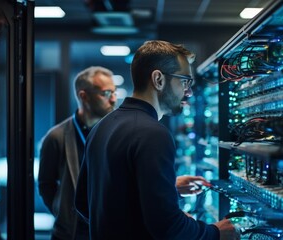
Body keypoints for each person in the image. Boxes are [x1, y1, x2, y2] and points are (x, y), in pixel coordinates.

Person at [75, 40, 239, 239]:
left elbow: (84, 203)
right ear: (158, 79)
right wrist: (215, 232)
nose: (189, 92)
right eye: (185, 81)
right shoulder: (153, 134)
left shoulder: (101, 127)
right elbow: (167, 227)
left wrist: (167, 190)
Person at [38, 66, 117, 240]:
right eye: (106, 93)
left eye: (114, 92)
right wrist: (64, 214)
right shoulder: (56, 137)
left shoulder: (116, 134)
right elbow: (46, 184)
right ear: (83, 96)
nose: (113, 99)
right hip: (70, 233)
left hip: (108, 229)